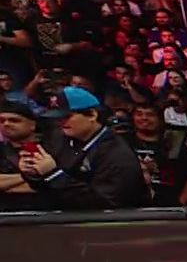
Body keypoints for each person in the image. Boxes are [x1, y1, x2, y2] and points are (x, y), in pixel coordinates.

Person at [20, 87, 148, 209]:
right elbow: (48, 188)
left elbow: (105, 204)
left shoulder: (117, 154)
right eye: (57, 118)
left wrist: (54, 175)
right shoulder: (59, 138)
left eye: (66, 117)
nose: (61, 122)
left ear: (92, 115)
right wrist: (34, 173)